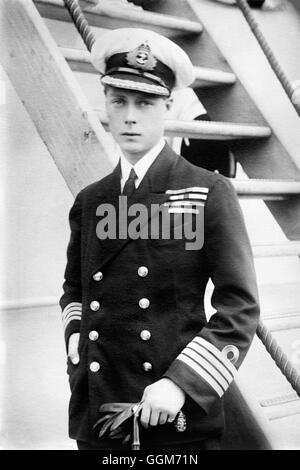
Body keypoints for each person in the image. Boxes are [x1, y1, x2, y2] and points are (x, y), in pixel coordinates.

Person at [60, 27, 260, 450]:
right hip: (99, 406)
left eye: (145, 102)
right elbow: (74, 288)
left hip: (171, 412)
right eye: (120, 101)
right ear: (107, 106)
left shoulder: (207, 192)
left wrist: (181, 384)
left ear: (167, 106)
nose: (131, 116)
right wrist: (76, 334)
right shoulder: (91, 200)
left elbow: (239, 308)